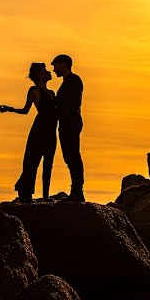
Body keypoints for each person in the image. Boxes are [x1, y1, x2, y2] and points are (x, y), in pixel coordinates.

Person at [0, 62, 58, 203]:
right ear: (39, 75)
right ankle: (26, 193)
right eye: (45, 71)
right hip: (39, 129)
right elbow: (26, 110)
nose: (49, 72)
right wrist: (10, 109)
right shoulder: (35, 90)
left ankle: (46, 196)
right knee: (32, 162)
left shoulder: (52, 93)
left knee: (48, 163)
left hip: (51, 130)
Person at [51, 54, 85, 202]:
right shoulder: (69, 81)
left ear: (63, 64)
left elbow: (70, 104)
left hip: (70, 123)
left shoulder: (73, 81)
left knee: (73, 156)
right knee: (70, 157)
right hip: (67, 123)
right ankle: (76, 191)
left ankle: (77, 191)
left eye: (55, 65)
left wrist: (56, 105)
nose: (53, 69)